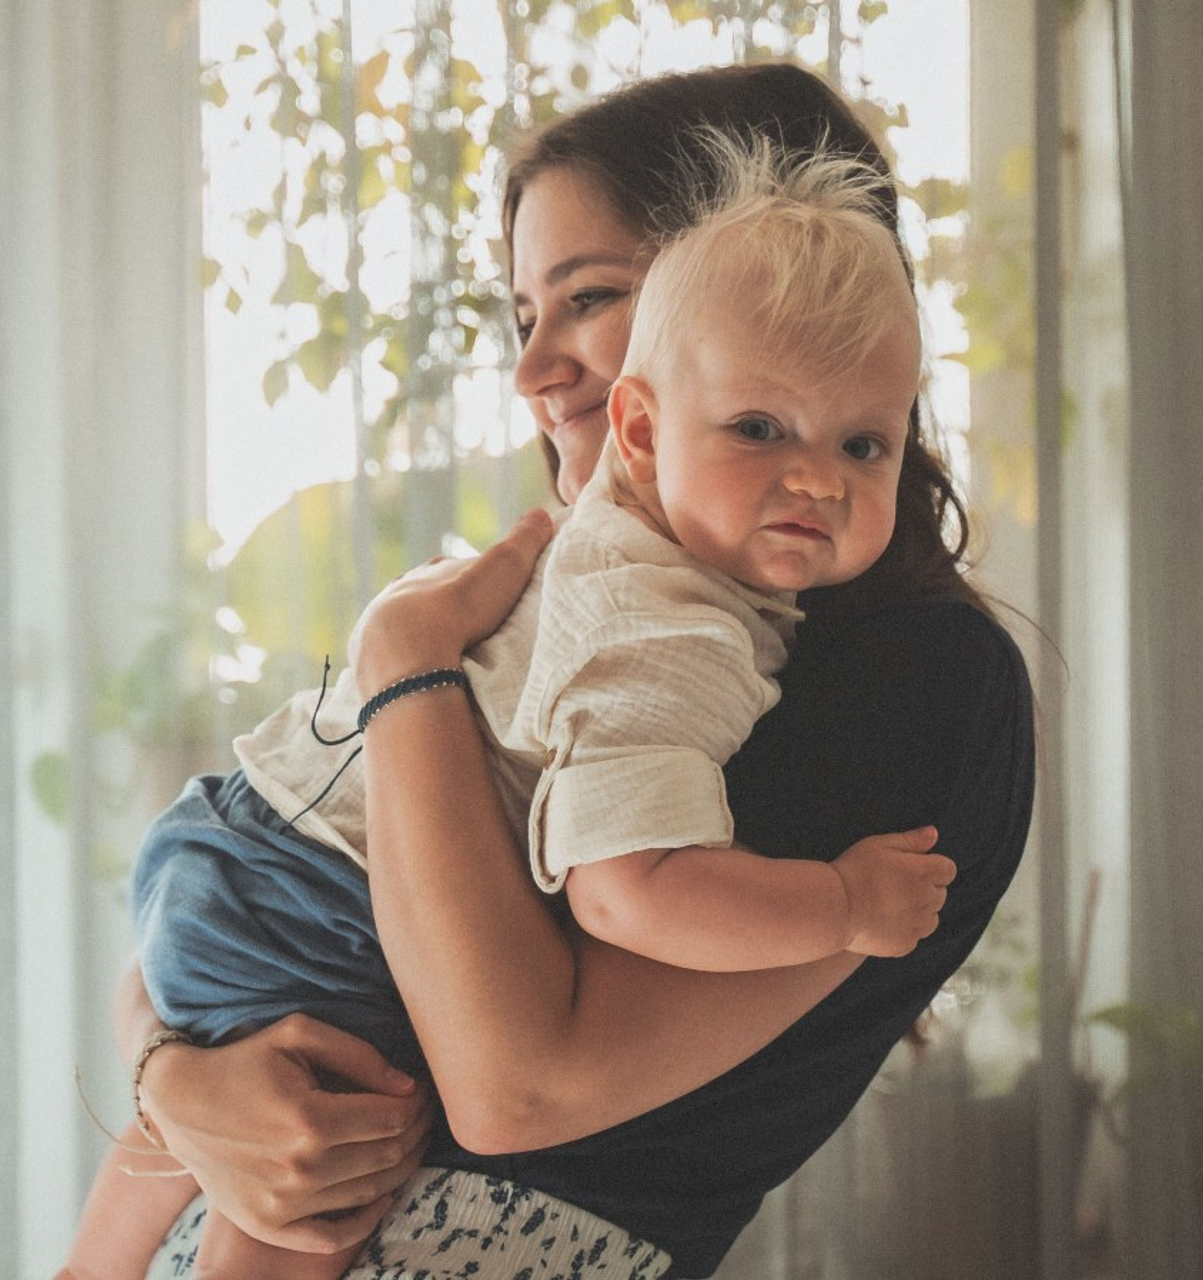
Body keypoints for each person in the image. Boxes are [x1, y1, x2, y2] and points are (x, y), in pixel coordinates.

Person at [75, 62, 1033, 1280]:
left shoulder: (920, 680)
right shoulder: (591, 602)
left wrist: (403, 662)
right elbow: (271, 893)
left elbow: (513, 1085)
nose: (532, 374)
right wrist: (180, 1074)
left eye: (587, 296)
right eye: (522, 315)